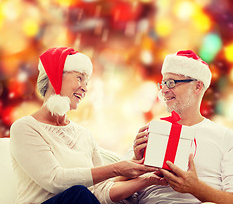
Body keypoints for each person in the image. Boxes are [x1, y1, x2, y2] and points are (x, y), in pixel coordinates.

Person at [10, 47, 167, 204]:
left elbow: (100, 191)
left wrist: (148, 179)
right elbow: (55, 181)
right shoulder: (25, 128)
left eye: (87, 82)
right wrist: (117, 168)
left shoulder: (84, 135)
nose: (85, 88)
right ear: (55, 76)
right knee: (79, 193)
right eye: (79, 78)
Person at [133, 50, 233, 204]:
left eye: (171, 83)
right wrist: (136, 160)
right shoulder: (152, 130)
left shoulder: (227, 138)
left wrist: (195, 188)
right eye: (163, 83)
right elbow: (113, 185)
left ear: (197, 87)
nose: (164, 90)